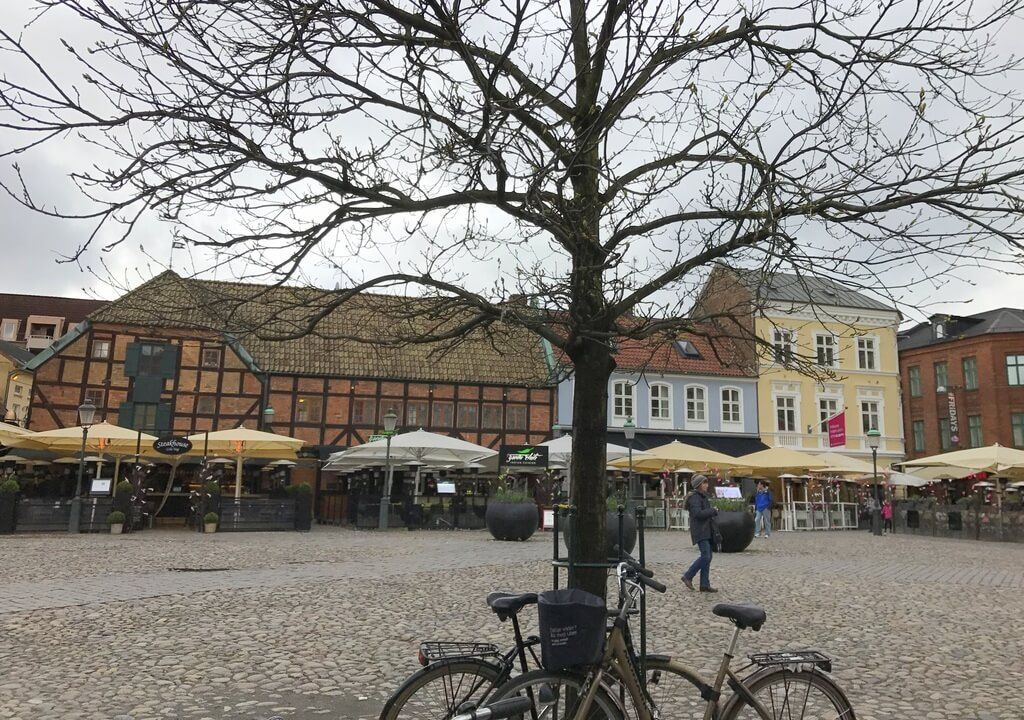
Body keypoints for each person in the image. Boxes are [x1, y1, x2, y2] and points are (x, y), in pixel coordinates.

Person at [681, 474, 719, 593]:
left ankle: (704, 584)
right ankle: (688, 576)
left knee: (708, 557)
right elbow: (698, 514)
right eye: (704, 483)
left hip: (706, 530)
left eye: (707, 482)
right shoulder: (695, 498)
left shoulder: (702, 496)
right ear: (698, 485)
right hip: (700, 530)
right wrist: (713, 511)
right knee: (706, 556)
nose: (707, 485)